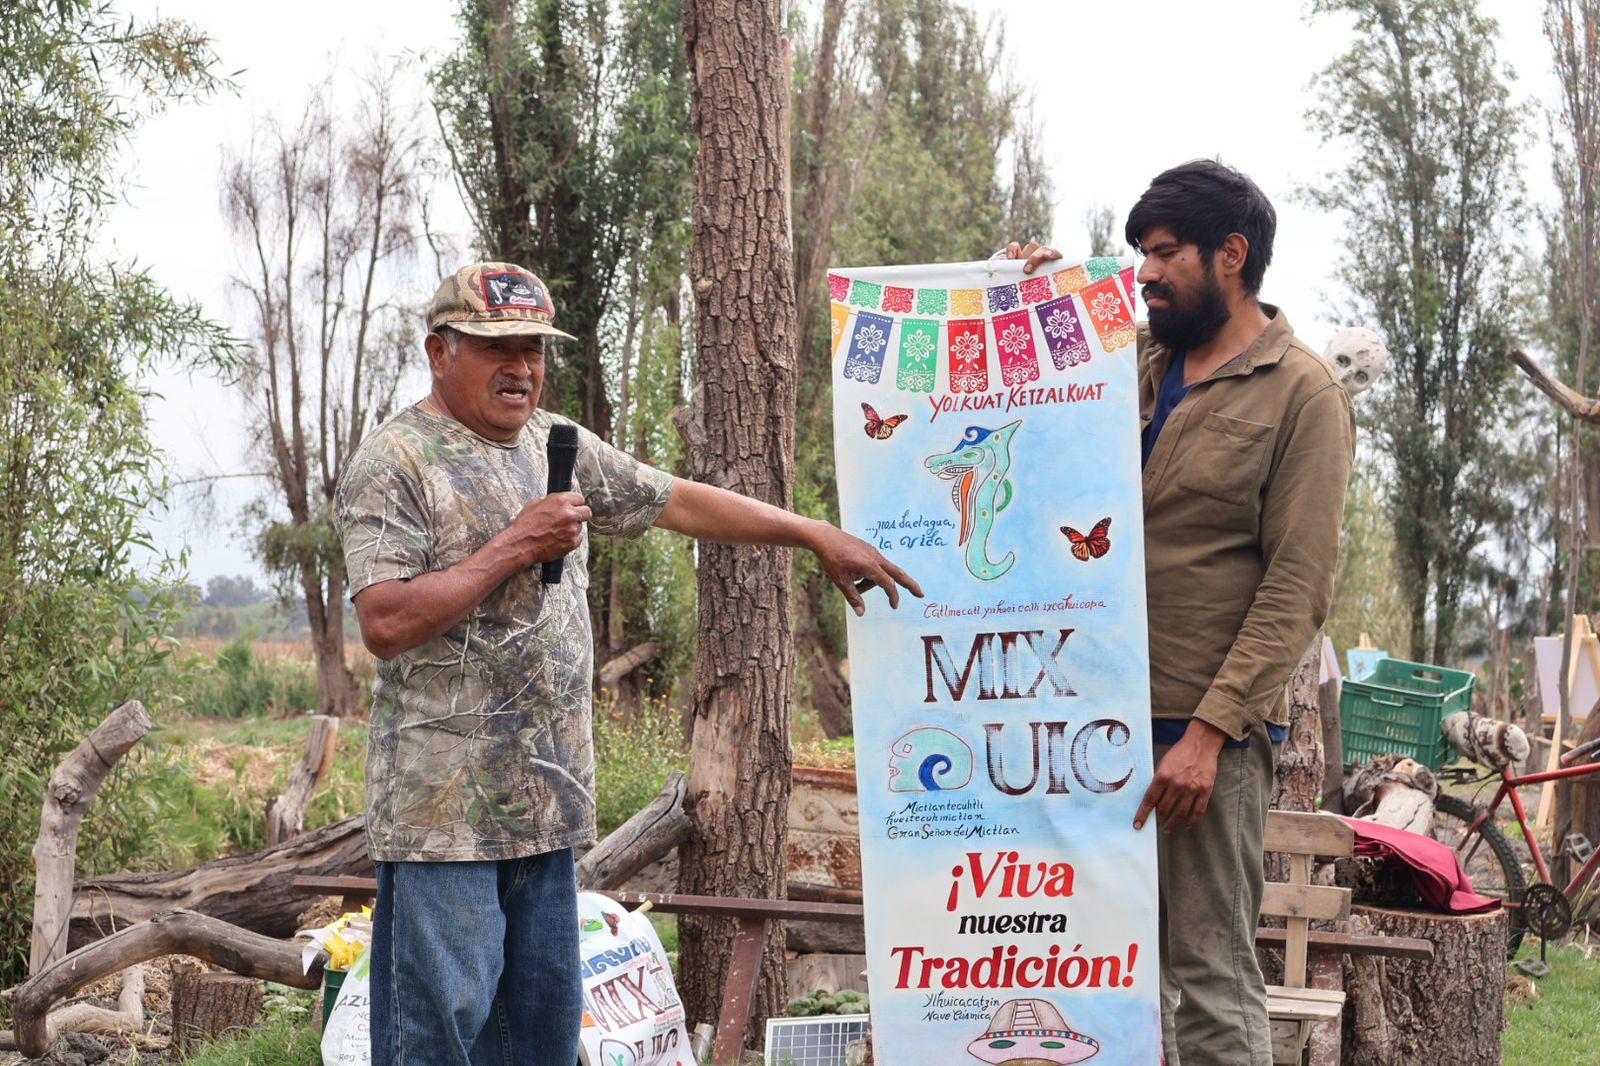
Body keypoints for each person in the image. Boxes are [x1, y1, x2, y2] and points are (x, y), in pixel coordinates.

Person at [334, 261, 920, 1066]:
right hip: (444, 827)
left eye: (535, 347)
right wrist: (516, 545)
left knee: (540, 1038)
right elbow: (386, 621)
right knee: (440, 1040)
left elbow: (676, 497)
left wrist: (812, 531)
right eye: (497, 346)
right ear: (441, 351)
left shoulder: (556, 444)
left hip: (548, 810)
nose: (523, 367)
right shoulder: (396, 459)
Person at [1011, 160, 1355, 1065]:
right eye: (1139, 255)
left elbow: (1298, 587)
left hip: (1199, 733)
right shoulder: (1139, 362)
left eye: (1164, 253)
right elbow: (1036, 415)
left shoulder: (1303, 396)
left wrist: (1206, 734)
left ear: (1230, 255)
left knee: (1206, 967)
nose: (1146, 273)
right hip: (1084, 715)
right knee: (1088, 957)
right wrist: (1038, 304)